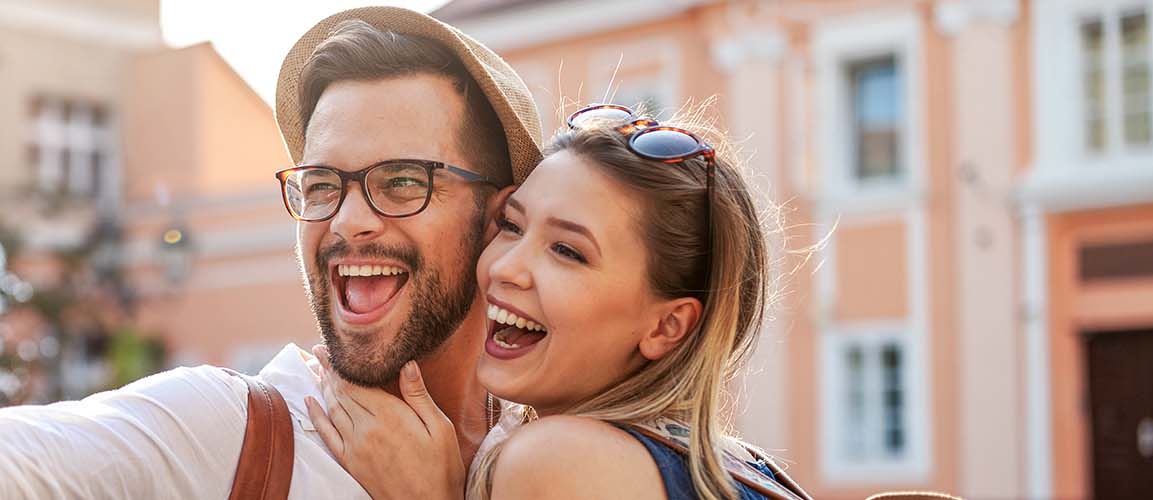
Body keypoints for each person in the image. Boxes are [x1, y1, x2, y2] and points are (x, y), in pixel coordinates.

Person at [0, 7, 546, 498]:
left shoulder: (575, 442)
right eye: (321, 185)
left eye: (401, 182)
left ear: (501, 220)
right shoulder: (231, 432)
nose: (347, 223)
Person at [305, 103, 814, 500]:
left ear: (666, 327)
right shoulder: (750, 469)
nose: (503, 267)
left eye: (567, 251)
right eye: (512, 225)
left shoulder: (556, 461)